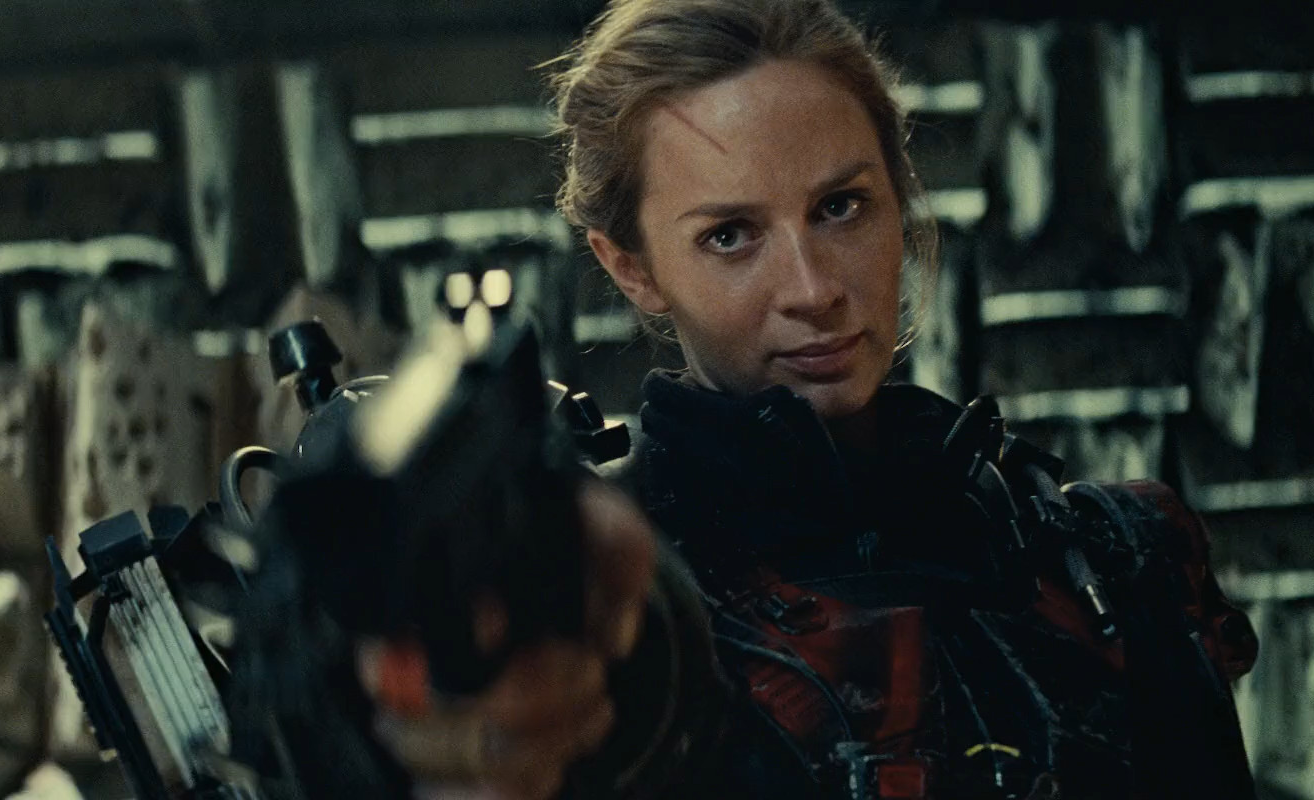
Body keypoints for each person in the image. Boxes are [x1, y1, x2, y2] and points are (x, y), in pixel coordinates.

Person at [226, 0, 1260, 797]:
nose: (812, 288)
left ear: (900, 200)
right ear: (632, 266)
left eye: (842, 206)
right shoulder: (611, 599)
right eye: (730, 235)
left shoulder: (1103, 561)